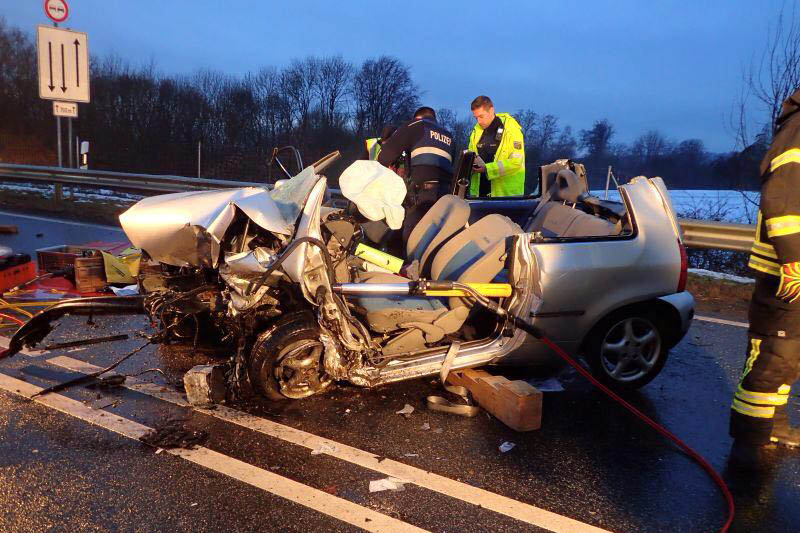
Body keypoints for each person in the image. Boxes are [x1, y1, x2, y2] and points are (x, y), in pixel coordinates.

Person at [730, 87, 800, 468]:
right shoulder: (799, 129)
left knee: (788, 357)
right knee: (772, 355)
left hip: (792, 268)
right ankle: (750, 445)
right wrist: (793, 259)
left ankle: (773, 425)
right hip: (786, 272)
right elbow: (783, 200)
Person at [377, 106, 455, 241]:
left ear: (417, 117)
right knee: (433, 239)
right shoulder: (449, 136)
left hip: (422, 196)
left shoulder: (415, 125)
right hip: (445, 197)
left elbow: (384, 157)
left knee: (412, 238)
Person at [467, 96, 525, 197]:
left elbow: (516, 162)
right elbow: (471, 156)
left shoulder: (511, 129)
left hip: (506, 197)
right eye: (476, 118)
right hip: (479, 195)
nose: (479, 121)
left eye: (481, 116)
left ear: (491, 110)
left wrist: (486, 169)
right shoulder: (476, 131)